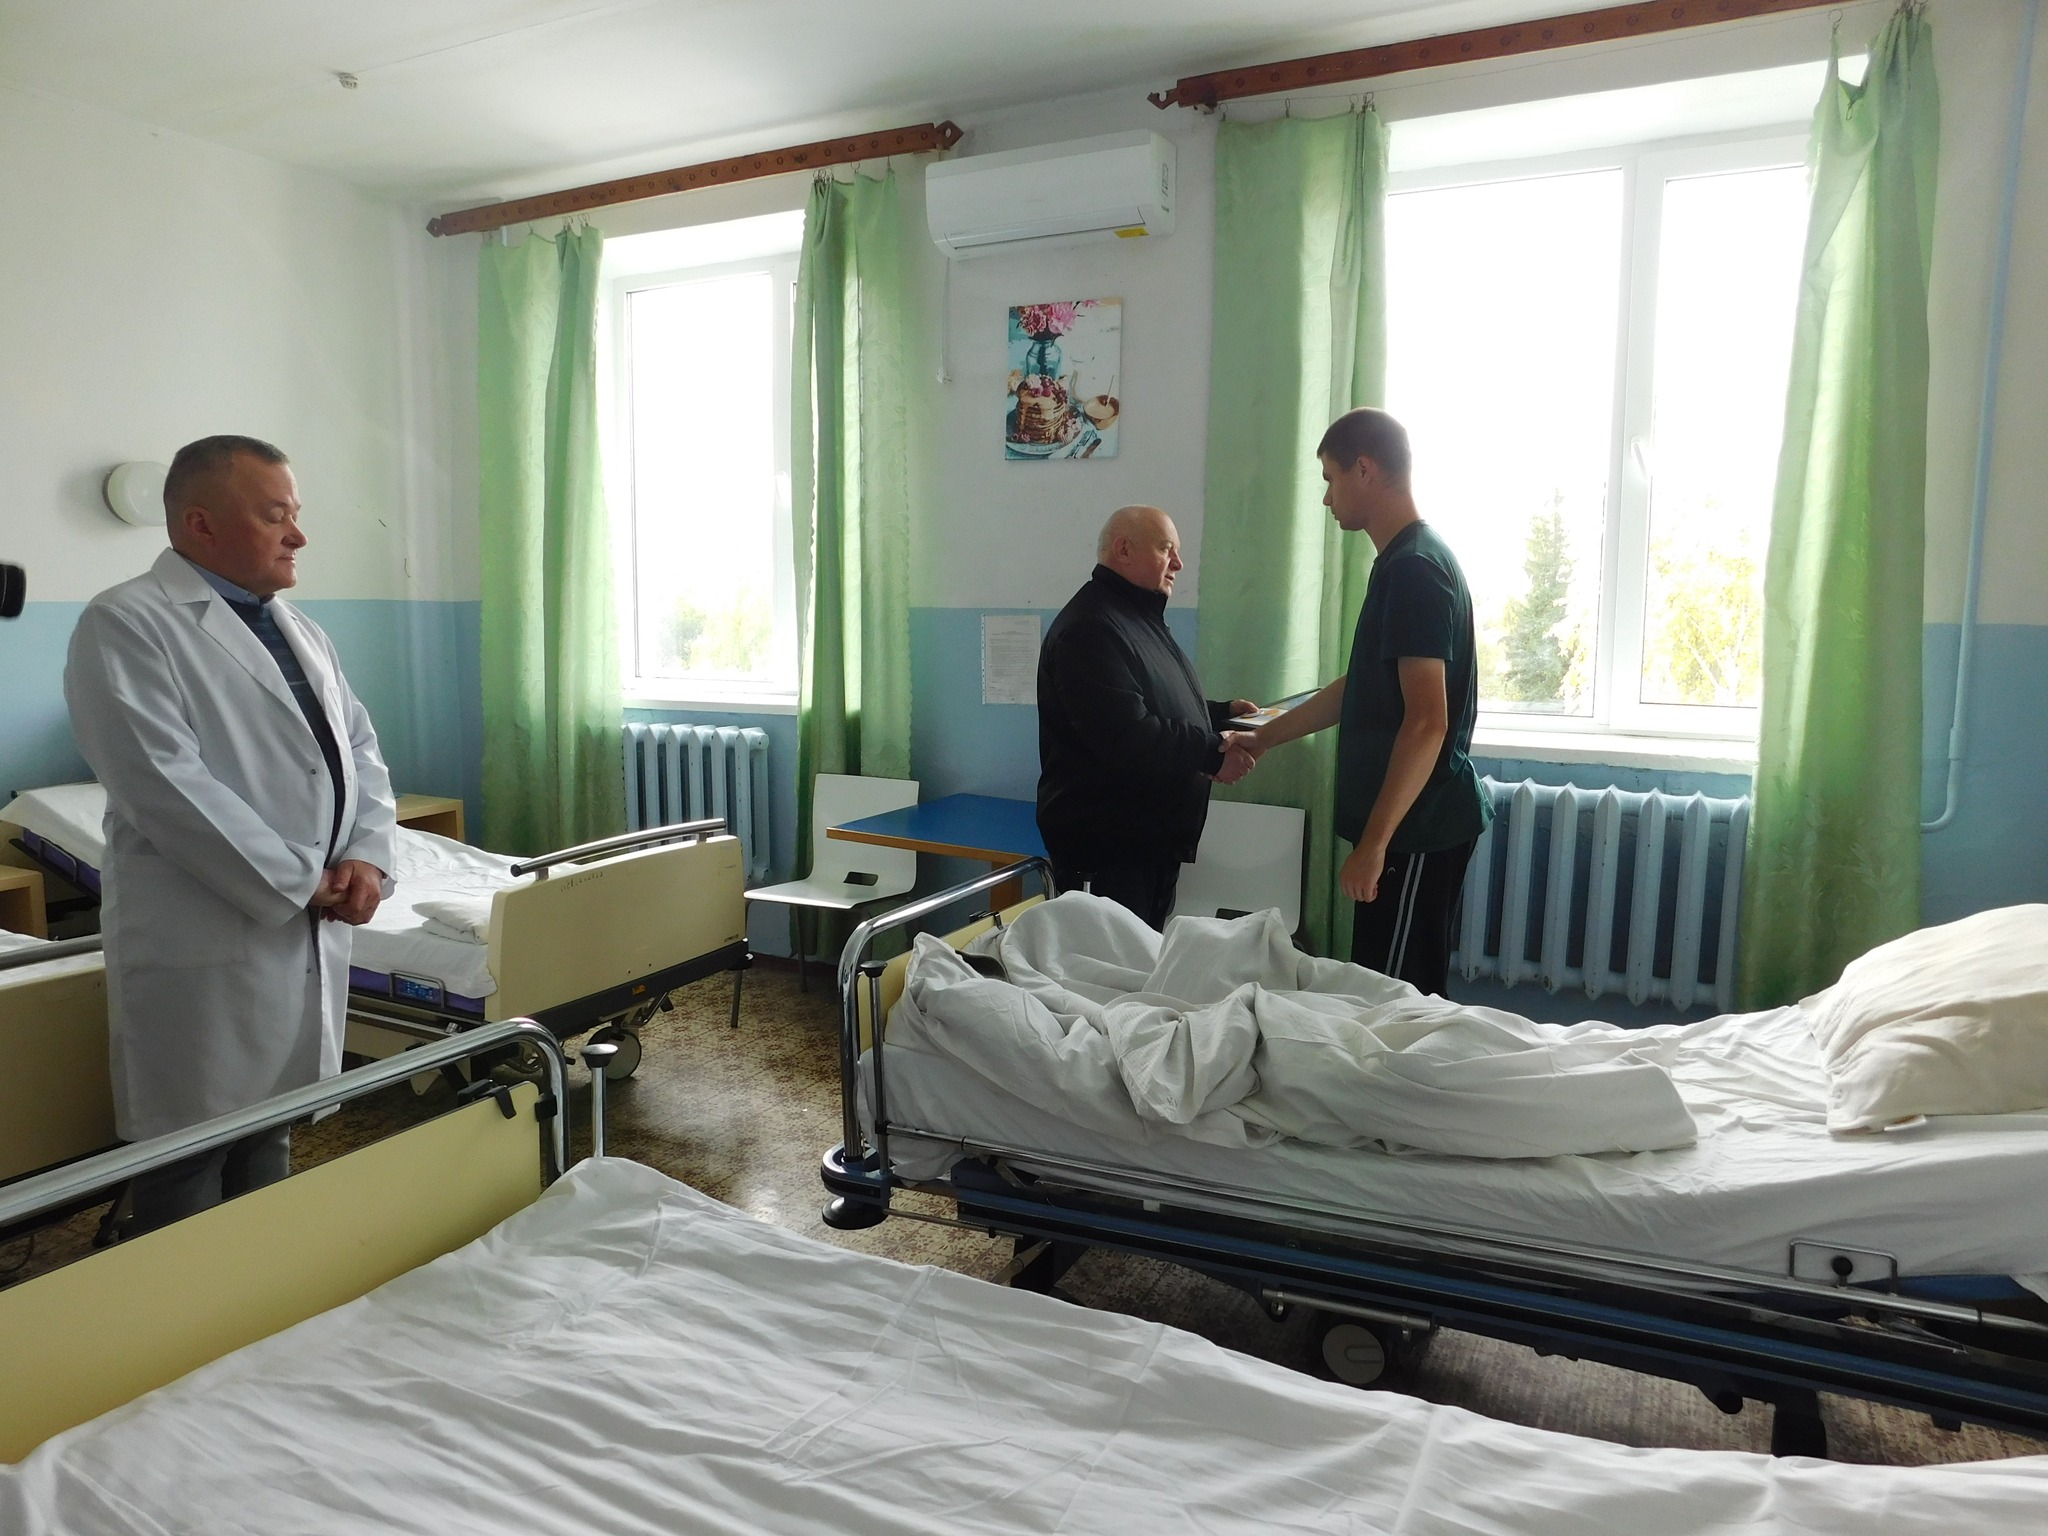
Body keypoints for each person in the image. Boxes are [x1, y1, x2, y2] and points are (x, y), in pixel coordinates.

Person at [64, 435, 398, 1233]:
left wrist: (366, 855)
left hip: (304, 924)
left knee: (270, 1137)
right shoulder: (126, 622)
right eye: (275, 515)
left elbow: (357, 750)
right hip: (205, 938)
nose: (298, 535)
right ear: (201, 524)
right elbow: (164, 783)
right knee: (188, 1159)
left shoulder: (300, 629)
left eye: (296, 514)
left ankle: (262, 1287)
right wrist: (300, 879)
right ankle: (177, 1304)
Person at [1230, 409, 1490, 994]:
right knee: (1383, 990)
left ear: (1365, 470)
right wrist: (1265, 736)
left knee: (1394, 999)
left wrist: (1375, 845)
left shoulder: (1415, 570)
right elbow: (1362, 685)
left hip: (1414, 832)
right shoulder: (1401, 562)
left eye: (1331, 478)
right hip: (1404, 829)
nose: (1327, 498)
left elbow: (1427, 722)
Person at [1036, 505, 1256, 929]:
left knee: (1141, 960)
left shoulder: (1136, 617)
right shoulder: (1090, 628)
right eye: (1166, 549)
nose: (1178, 563)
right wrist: (1212, 753)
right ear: (1123, 550)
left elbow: (1152, 704)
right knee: (1109, 965)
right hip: (1108, 849)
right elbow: (1125, 734)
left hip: (1148, 842)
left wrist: (1221, 715)